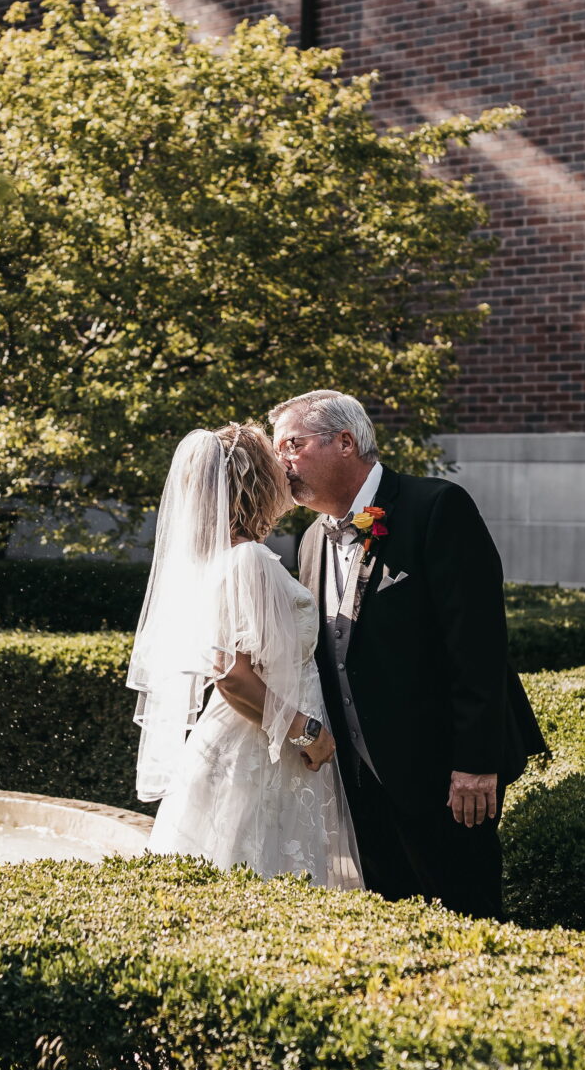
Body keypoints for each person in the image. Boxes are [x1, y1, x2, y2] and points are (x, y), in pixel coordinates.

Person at [271, 390, 545, 919]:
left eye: (292, 445)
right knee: (392, 923)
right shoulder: (310, 542)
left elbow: (478, 646)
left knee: (469, 919)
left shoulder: (437, 507)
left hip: (447, 779)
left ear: (345, 442)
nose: (282, 462)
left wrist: (475, 764)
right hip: (359, 781)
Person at [128, 424, 366, 890]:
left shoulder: (225, 557)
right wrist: (308, 733)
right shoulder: (247, 560)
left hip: (265, 743)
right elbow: (230, 674)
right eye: (277, 462)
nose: (287, 469)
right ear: (256, 482)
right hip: (261, 751)